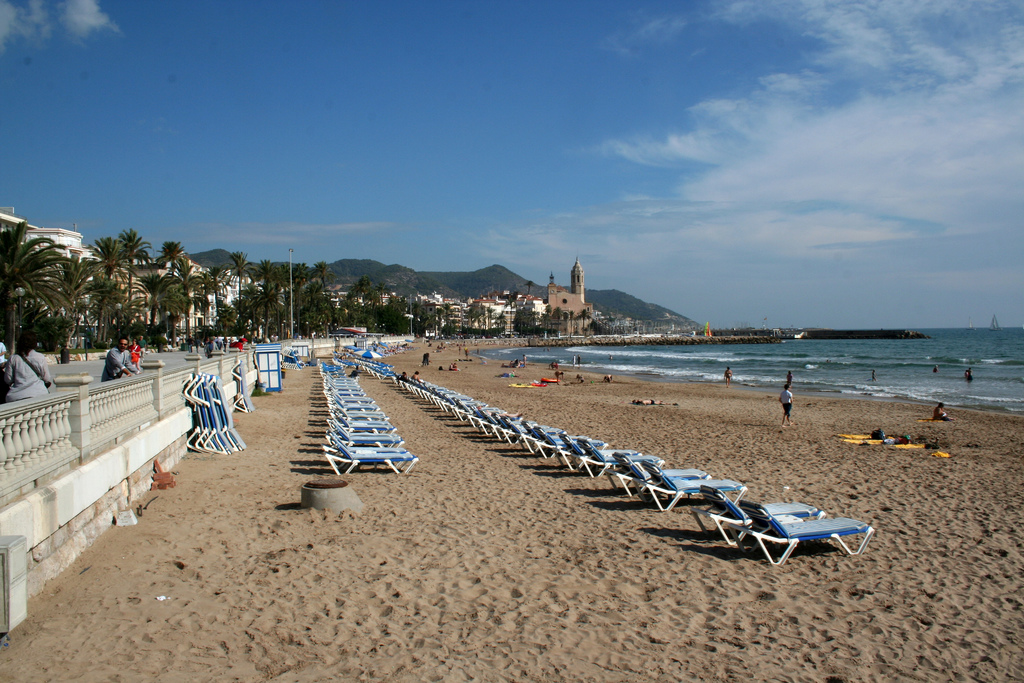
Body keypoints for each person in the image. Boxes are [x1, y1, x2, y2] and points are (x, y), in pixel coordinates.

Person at [4, 331, 52, 403]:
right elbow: (47, 378)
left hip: (17, 395)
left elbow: (8, 379)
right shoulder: (40, 357)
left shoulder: (13, 358)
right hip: (38, 392)